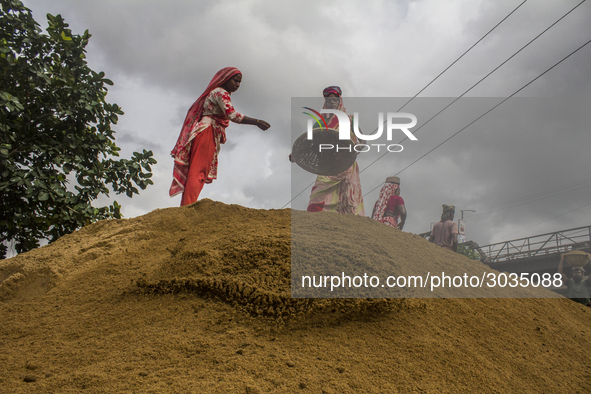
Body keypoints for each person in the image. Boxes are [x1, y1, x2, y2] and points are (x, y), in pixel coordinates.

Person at [169, 67, 270, 206]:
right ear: (225, 79)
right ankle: (188, 206)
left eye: (239, 83)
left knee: (198, 171)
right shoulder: (220, 93)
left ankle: (187, 205)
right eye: (235, 81)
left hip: (206, 131)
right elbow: (232, 115)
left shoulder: (216, 93)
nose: (237, 85)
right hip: (207, 132)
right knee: (199, 172)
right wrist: (256, 122)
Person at [302, 86, 365, 216]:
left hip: (346, 166)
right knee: (317, 197)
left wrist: (355, 150)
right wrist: (296, 154)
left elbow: (363, 140)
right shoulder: (319, 123)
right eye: (328, 100)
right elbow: (308, 143)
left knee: (348, 200)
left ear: (340, 101)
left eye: (335, 100)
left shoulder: (350, 120)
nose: (331, 102)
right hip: (326, 167)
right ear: (325, 103)